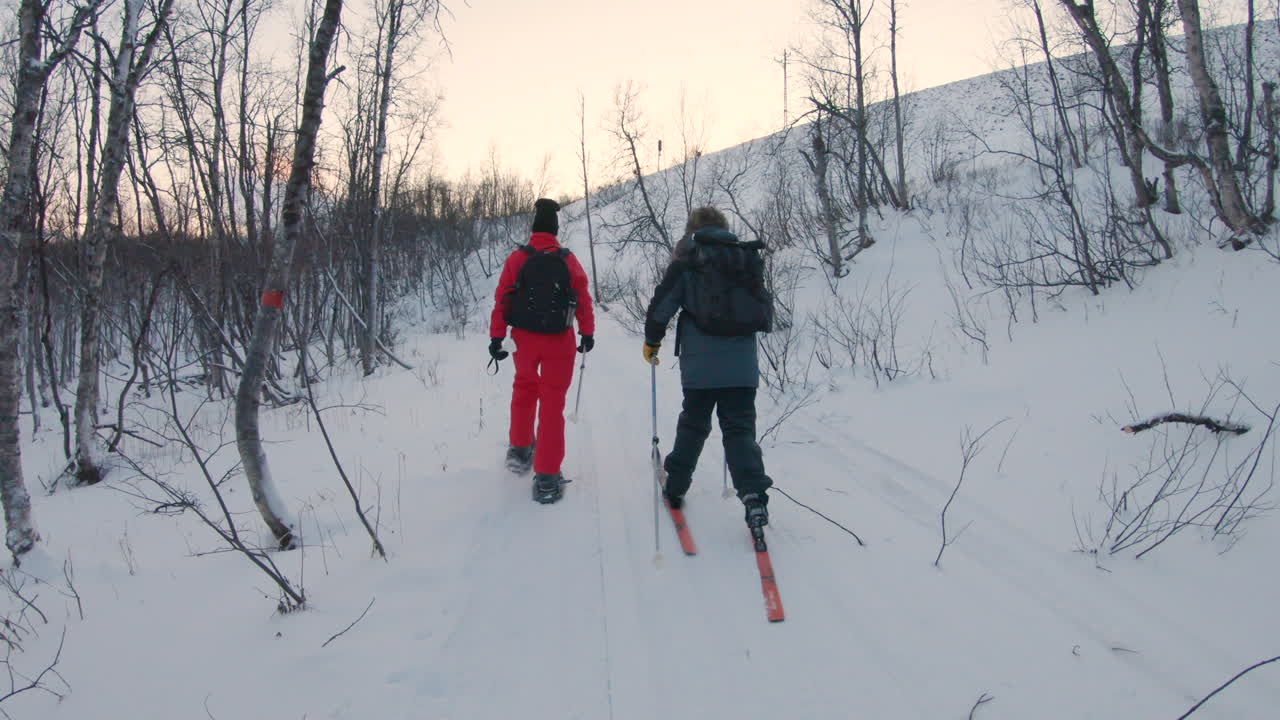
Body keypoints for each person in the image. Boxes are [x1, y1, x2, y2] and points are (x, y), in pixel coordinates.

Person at [643, 207, 773, 528]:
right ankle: (754, 495)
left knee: (694, 424)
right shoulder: (743, 257)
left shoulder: (689, 258)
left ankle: (675, 487)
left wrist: (652, 341)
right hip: (742, 365)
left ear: (693, 230)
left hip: (700, 366)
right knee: (739, 429)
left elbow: (663, 305)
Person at [489, 198, 595, 503]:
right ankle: (547, 477)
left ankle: (520, 451)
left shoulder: (517, 259)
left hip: (524, 341)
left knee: (524, 389)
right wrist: (587, 333)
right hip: (559, 342)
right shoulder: (568, 260)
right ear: (555, 230)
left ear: (534, 228)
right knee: (552, 404)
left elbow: (502, 300)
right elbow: (583, 299)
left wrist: (497, 338)